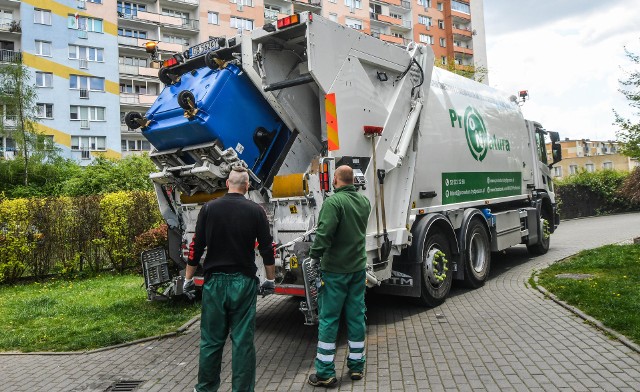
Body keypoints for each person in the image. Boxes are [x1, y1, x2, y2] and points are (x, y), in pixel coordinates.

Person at [184, 166, 276, 392]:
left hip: (214, 283)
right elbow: (267, 249)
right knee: (243, 342)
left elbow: (196, 246)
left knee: (211, 341)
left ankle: (205, 388)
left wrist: (188, 278)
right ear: (247, 187)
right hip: (243, 283)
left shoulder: (209, 209)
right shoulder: (256, 211)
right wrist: (270, 280)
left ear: (227, 184)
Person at [307, 165, 372, 387]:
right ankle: (356, 367)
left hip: (335, 271)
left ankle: (325, 372)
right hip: (357, 269)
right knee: (356, 317)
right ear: (352, 180)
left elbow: (324, 233)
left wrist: (314, 255)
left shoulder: (333, 203)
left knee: (329, 319)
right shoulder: (364, 202)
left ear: (336, 179)